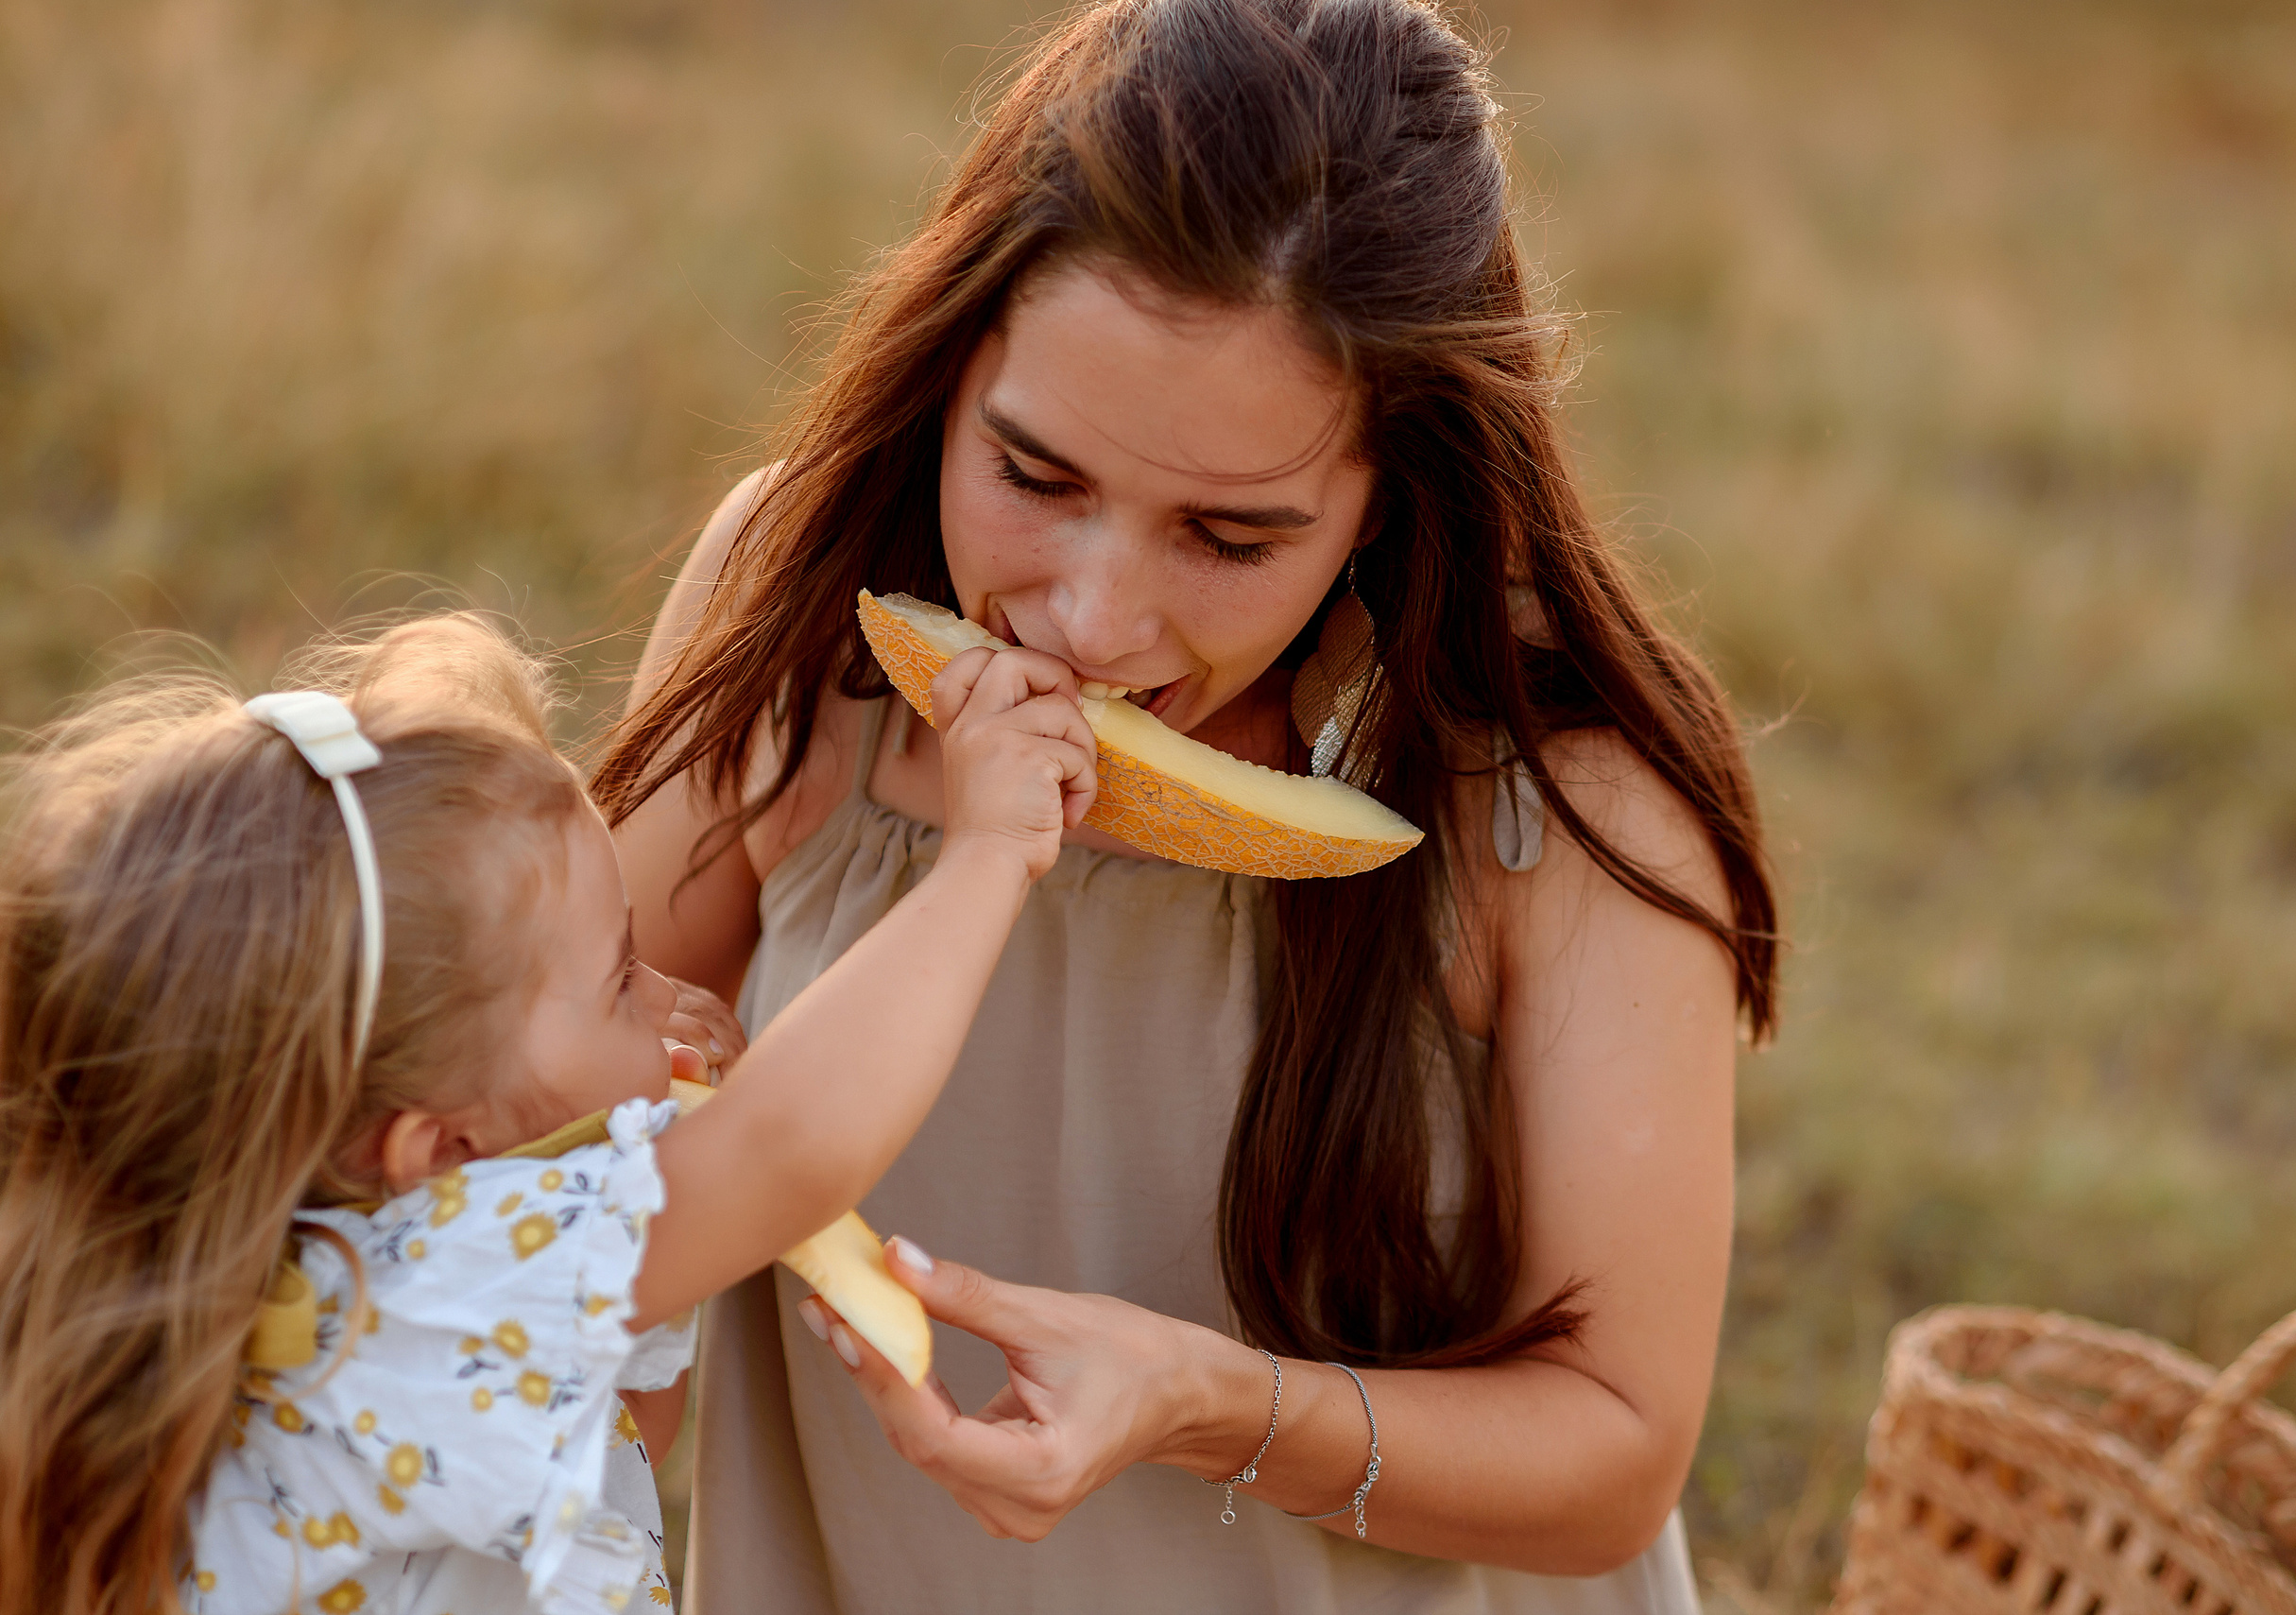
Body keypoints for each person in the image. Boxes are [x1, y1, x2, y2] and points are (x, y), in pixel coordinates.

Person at [600, 0, 1780, 1608]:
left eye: (1228, 539)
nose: (1088, 621)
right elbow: (554, 1159)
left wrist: (1216, 1405)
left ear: (1391, 499)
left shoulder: (1566, 801)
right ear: (949, 366)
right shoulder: (794, 613)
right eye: (1034, 476)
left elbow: (1616, 1455)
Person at [0, 612, 1096, 1615]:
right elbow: (790, 1148)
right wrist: (987, 853)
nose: (670, 995)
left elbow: (614, 1447)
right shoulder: (423, 1293)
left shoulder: (281, 1286)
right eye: (620, 977)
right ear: (438, 1149)